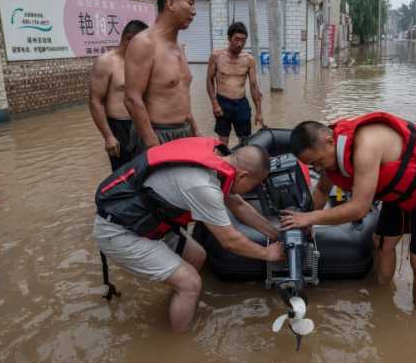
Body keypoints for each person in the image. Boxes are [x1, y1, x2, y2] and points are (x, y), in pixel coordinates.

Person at [93, 137, 282, 332]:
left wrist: (276, 234)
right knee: (190, 284)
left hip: (145, 221)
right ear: (243, 176)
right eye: (253, 185)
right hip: (119, 232)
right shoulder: (203, 186)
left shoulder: (218, 160)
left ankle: (178, 303)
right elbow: (230, 241)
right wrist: (266, 253)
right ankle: (178, 345)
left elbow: (239, 204)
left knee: (197, 257)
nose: (251, 190)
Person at [281, 112, 416, 310]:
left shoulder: (366, 147)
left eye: (318, 161)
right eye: (312, 165)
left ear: (329, 141)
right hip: (397, 190)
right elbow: (322, 190)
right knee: (381, 243)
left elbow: (359, 209)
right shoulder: (331, 157)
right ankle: (381, 301)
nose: (317, 168)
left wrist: (308, 217)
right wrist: (307, 224)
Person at [125, 0, 200, 156]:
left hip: (184, 131)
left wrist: (195, 131)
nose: (194, 11)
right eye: (190, 3)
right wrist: (153, 144)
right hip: (156, 134)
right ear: (171, 3)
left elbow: (182, 95)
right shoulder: (143, 43)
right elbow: (132, 98)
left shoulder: (180, 47)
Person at [89, 20, 149, 170]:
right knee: (123, 176)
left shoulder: (141, 62)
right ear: (129, 38)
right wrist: (108, 136)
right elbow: (95, 101)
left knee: (146, 172)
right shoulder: (106, 62)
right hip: (120, 127)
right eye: (141, 43)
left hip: (142, 124)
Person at [207, 22, 264, 146]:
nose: (240, 44)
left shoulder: (249, 60)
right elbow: (209, 81)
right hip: (222, 103)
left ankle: (241, 164)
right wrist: (214, 103)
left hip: (241, 104)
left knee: (244, 141)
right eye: (237, 39)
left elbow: (254, 87)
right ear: (229, 38)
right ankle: (222, 164)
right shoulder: (216, 56)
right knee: (222, 142)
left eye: (243, 40)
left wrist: (259, 112)